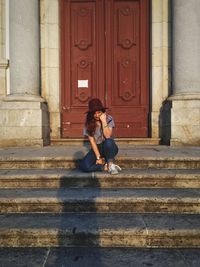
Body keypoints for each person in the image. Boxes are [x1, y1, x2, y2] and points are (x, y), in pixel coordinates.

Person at [79, 98, 122, 175]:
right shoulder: (88, 123)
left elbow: (108, 136)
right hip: (98, 148)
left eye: (99, 112)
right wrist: (98, 158)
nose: (97, 115)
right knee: (84, 165)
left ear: (103, 112)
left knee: (108, 141)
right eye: (94, 113)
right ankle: (105, 167)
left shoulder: (109, 119)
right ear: (91, 114)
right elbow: (92, 142)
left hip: (110, 147)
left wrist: (104, 121)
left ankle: (110, 163)